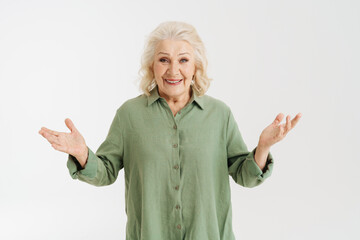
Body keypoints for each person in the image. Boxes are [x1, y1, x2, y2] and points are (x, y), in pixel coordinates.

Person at [39, 21, 301, 240]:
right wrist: (82, 153)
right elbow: (106, 172)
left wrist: (264, 147)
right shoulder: (129, 115)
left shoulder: (220, 114)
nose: (173, 70)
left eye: (183, 60)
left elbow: (246, 176)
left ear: (195, 66)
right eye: (164, 60)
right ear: (152, 66)